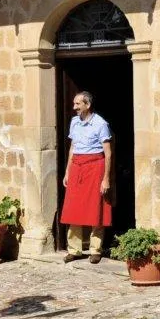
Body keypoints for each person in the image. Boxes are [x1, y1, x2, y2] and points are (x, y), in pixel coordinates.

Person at [62, 90, 112, 263]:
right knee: (73, 208)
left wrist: (106, 178)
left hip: (94, 167)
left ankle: (95, 250)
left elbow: (108, 152)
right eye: (74, 104)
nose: (74, 107)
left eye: (78, 104)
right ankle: (74, 249)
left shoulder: (100, 124)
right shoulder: (74, 122)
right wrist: (68, 171)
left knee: (95, 208)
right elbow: (72, 148)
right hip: (76, 167)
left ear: (87, 105)